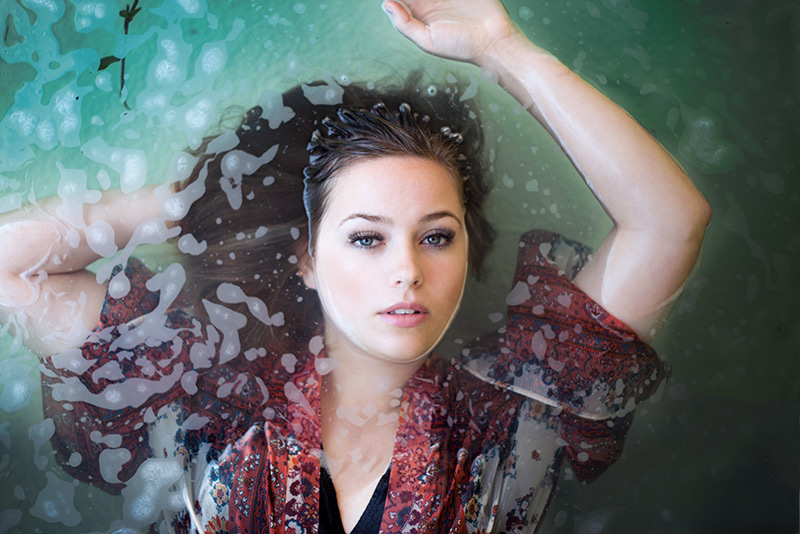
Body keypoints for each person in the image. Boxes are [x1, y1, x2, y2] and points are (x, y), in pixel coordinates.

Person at [0, 0, 710, 532]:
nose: (408, 270)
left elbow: (670, 222)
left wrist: (504, 49)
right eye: (367, 239)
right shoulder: (203, 392)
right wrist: (214, 198)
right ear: (306, 258)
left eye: (437, 237)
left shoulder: (514, 413)